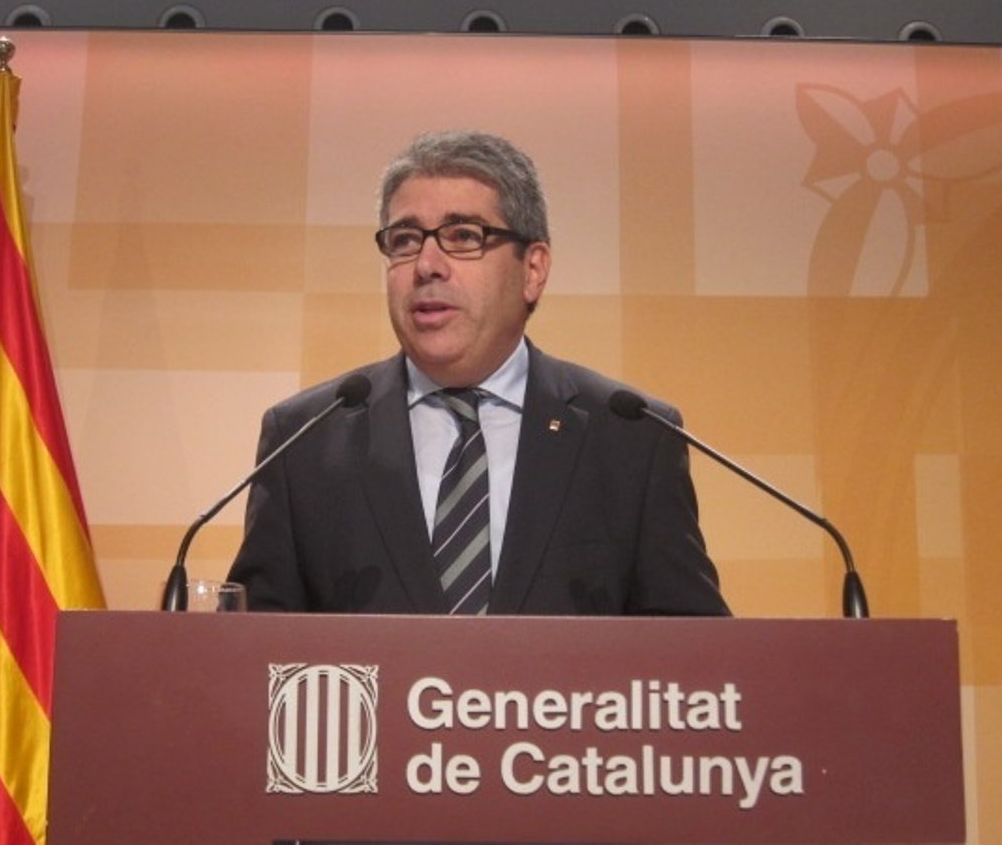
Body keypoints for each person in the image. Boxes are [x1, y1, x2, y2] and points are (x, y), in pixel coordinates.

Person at [228, 130, 728, 616]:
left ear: (533, 270)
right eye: (405, 240)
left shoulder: (630, 437)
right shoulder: (305, 440)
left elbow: (694, 653)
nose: (427, 265)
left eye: (464, 236)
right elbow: (252, 650)